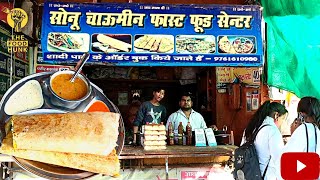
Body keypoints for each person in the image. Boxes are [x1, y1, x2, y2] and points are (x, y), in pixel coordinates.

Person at [241, 101, 288, 180]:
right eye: (282, 118)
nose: (282, 122)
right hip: (265, 176)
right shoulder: (272, 131)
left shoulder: (251, 127)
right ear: (276, 115)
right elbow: (280, 160)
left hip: (248, 174)